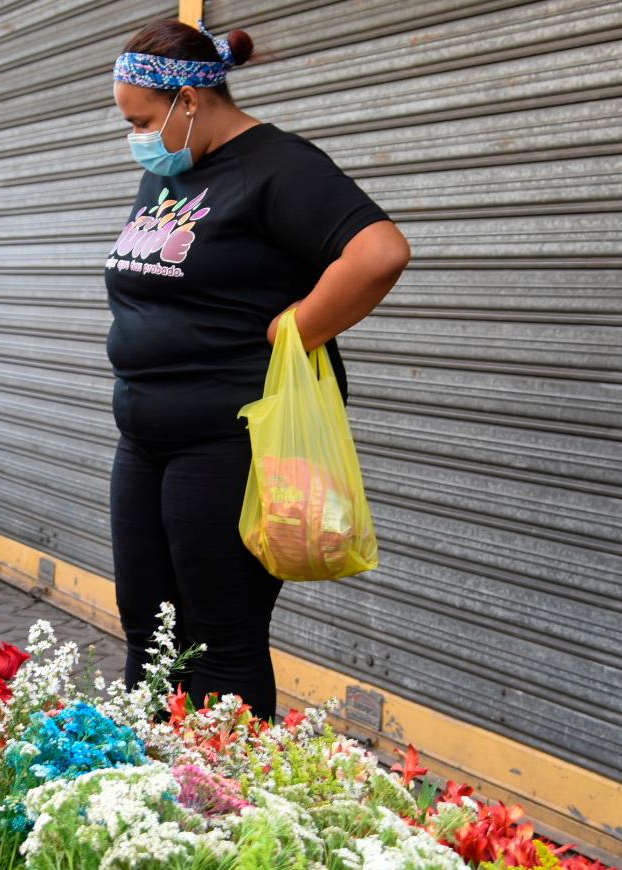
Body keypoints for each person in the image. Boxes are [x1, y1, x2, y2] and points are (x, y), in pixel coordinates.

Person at [106, 21, 410, 718]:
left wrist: (299, 324)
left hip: (228, 440)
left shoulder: (278, 165)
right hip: (144, 437)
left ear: (187, 100)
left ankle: (222, 807)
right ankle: (139, 798)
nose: (136, 137)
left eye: (141, 120)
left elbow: (379, 252)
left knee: (220, 639)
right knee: (148, 632)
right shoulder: (168, 170)